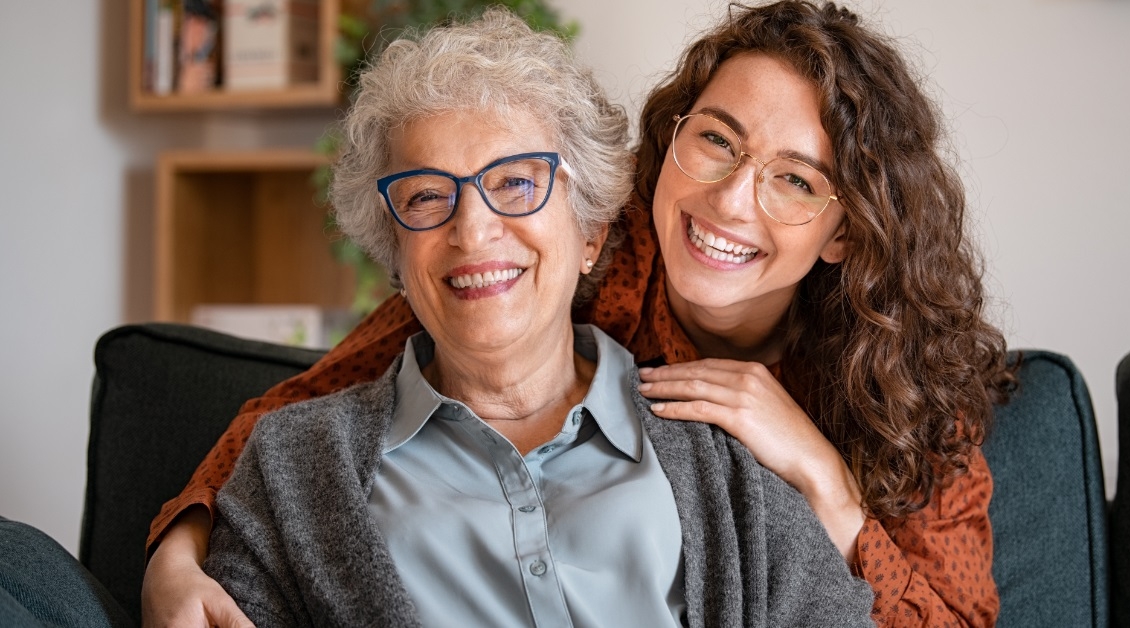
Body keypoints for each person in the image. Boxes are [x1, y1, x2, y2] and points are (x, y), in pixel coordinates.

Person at [143, 2, 1014, 627]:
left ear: (841, 230)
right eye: (716, 139)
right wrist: (174, 555)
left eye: (795, 178)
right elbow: (300, 413)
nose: (731, 204)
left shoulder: (908, 388)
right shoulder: (579, 247)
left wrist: (824, 479)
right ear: (669, 141)